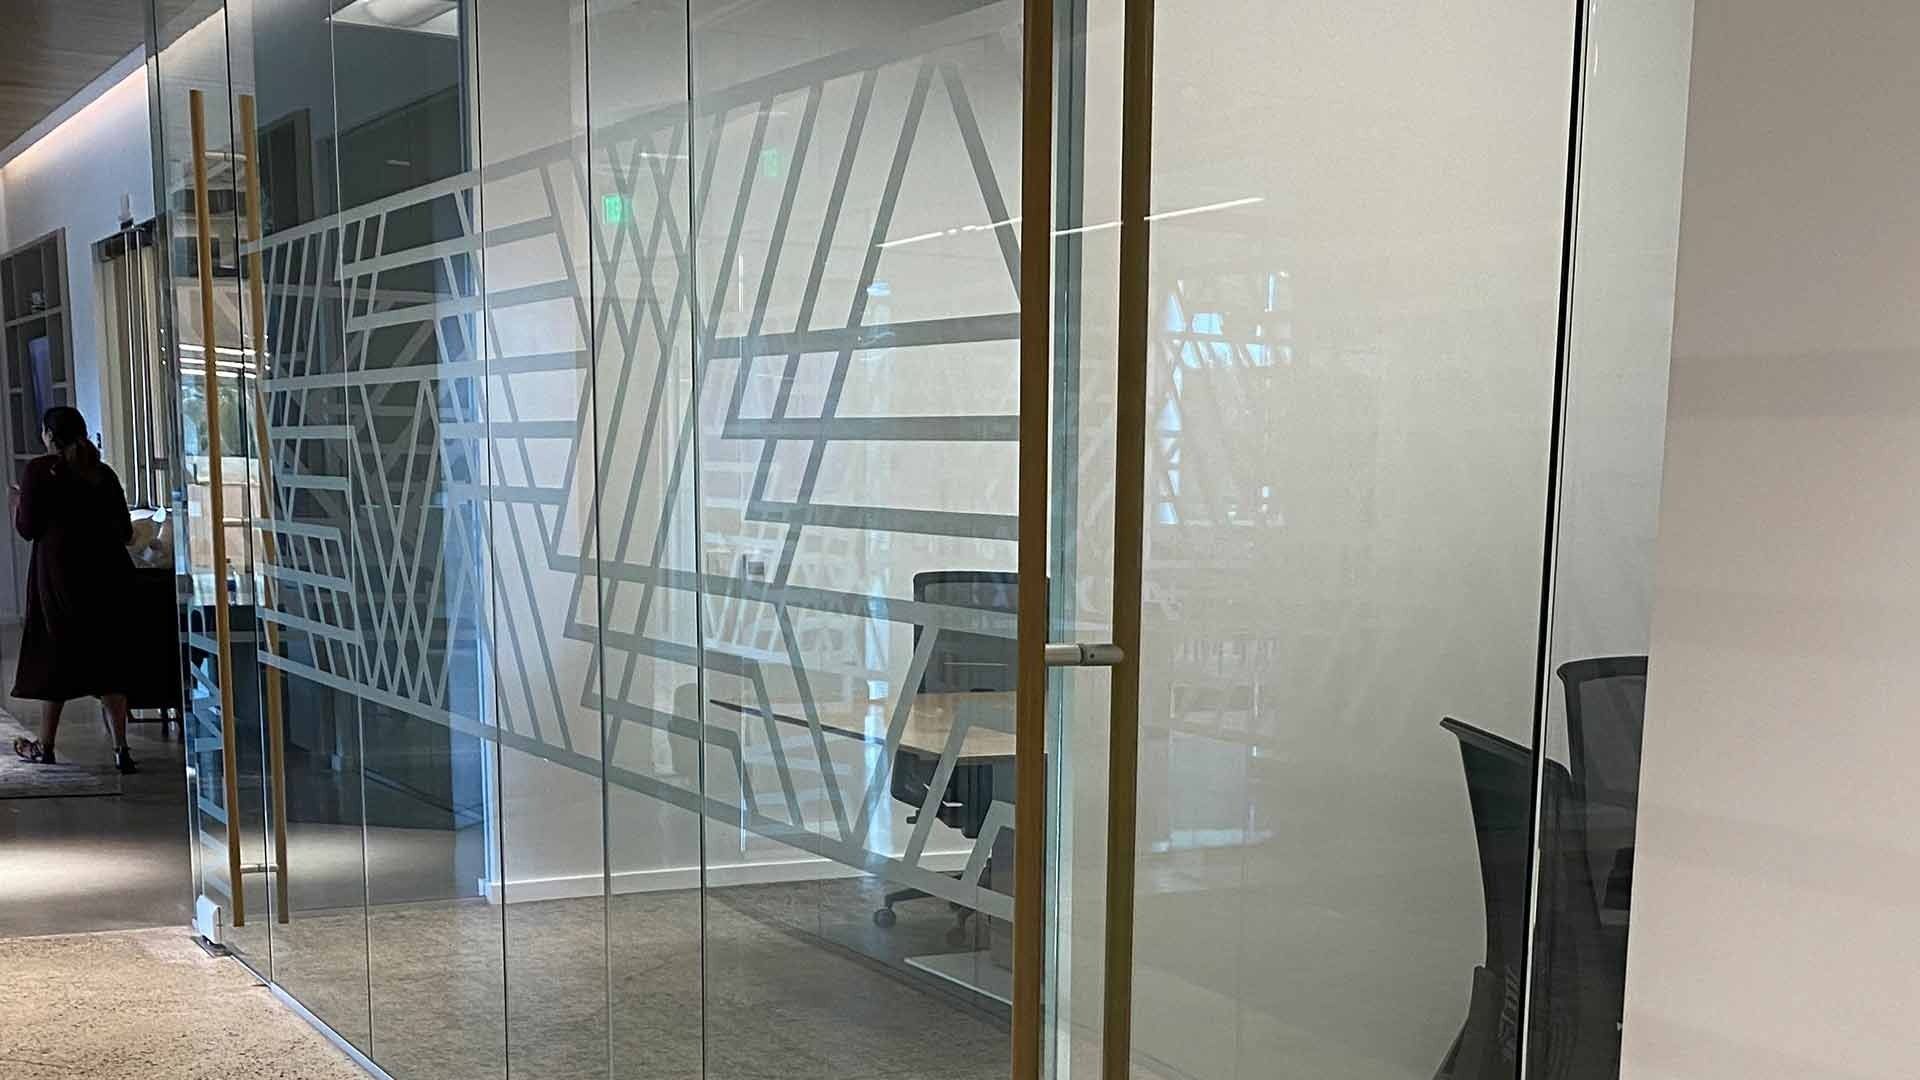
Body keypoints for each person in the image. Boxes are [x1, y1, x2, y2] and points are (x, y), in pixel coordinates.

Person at [10, 406, 138, 773]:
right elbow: (125, 531)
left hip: (60, 575)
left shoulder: (40, 471)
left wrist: (19, 502)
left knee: (55, 654)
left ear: (50, 434)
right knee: (108, 658)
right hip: (110, 576)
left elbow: (28, 527)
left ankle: (45, 744)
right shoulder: (103, 474)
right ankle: (121, 748)